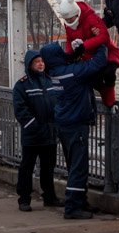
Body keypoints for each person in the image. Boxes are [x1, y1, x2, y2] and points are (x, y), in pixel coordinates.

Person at [39, 42, 108, 220]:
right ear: (56, 57)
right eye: (61, 52)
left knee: (74, 165)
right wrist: (101, 43)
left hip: (64, 123)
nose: (64, 53)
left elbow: (66, 60)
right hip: (76, 123)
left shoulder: (55, 72)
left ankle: (80, 201)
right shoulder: (72, 73)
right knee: (79, 167)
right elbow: (98, 63)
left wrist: (77, 52)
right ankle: (72, 207)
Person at [11, 49, 62, 212]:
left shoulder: (50, 81)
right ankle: (24, 199)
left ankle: (50, 197)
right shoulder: (22, 85)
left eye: (42, 61)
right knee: (27, 167)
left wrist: (56, 124)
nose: (40, 64)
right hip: (33, 135)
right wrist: (34, 126)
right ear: (29, 65)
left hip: (50, 133)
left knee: (48, 167)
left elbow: (58, 104)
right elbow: (20, 110)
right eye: (36, 62)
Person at [55, 0, 119, 108]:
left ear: (76, 13)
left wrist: (84, 45)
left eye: (70, 19)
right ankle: (108, 102)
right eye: (66, 20)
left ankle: (111, 102)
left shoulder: (90, 18)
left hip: (106, 53)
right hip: (88, 56)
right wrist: (69, 54)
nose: (69, 21)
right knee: (94, 80)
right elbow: (69, 39)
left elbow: (104, 37)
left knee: (109, 75)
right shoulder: (68, 25)